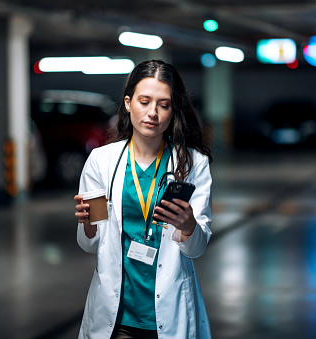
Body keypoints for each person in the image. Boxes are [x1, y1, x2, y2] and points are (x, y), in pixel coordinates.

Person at [74, 59, 213, 339]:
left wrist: (188, 227)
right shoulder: (102, 161)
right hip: (117, 315)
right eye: (144, 101)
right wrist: (87, 224)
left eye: (164, 105)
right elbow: (90, 244)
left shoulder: (193, 163)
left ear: (174, 111)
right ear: (128, 103)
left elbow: (196, 249)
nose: (153, 113)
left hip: (169, 311)